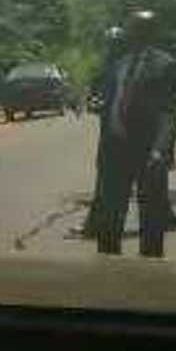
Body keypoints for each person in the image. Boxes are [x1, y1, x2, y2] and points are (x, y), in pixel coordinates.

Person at [97, 10, 176, 258]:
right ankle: (107, 262)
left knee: (151, 214)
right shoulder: (120, 63)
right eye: (129, 28)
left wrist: (160, 149)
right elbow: (112, 99)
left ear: (148, 32)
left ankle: (150, 267)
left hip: (148, 150)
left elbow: (171, 112)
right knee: (111, 210)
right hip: (116, 146)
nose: (130, 33)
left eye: (135, 28)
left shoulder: (166, 65)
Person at [71, 25, 127, 239]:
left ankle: (101, 225)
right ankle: (95, 225)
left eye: (115, 44)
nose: (111, 48)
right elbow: (96, 96)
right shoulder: (107, 68)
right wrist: (89, 101)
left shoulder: (127, 67)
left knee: (116, 181)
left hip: (128, 132)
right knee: (105, 178)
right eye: (110, 44)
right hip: (110, 131)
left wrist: (99, 103)